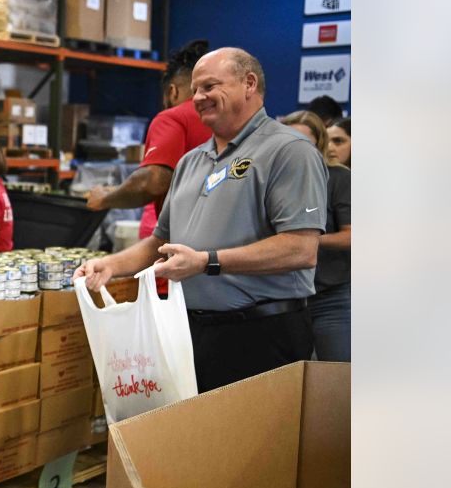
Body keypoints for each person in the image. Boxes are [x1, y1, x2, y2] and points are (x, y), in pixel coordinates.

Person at [74, 47, 328, 392]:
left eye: (209, 86)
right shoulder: (191, 162)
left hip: (262, 334)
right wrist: (111, 264)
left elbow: (300, 249)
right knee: (199, 441)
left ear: (249, 84)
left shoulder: (289, 151)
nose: (198, 98)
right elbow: (159, 242)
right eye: (194, 89)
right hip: (192, 330)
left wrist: (206, 262)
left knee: (254, 443)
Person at [86, 39, 212, 241]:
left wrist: (105, 199)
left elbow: (153, 182)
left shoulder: (172, 118)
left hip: (183, 246)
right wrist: (119, 190)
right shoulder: (226, 120)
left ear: (172, 91)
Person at [281, 111, 351, 362]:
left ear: (318, 143)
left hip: (330, 297)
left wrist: (302, 240)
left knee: (337, 376)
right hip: (285, 299)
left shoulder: (339, 178)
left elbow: (352, 236)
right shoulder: (274, 181)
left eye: (303, 143)